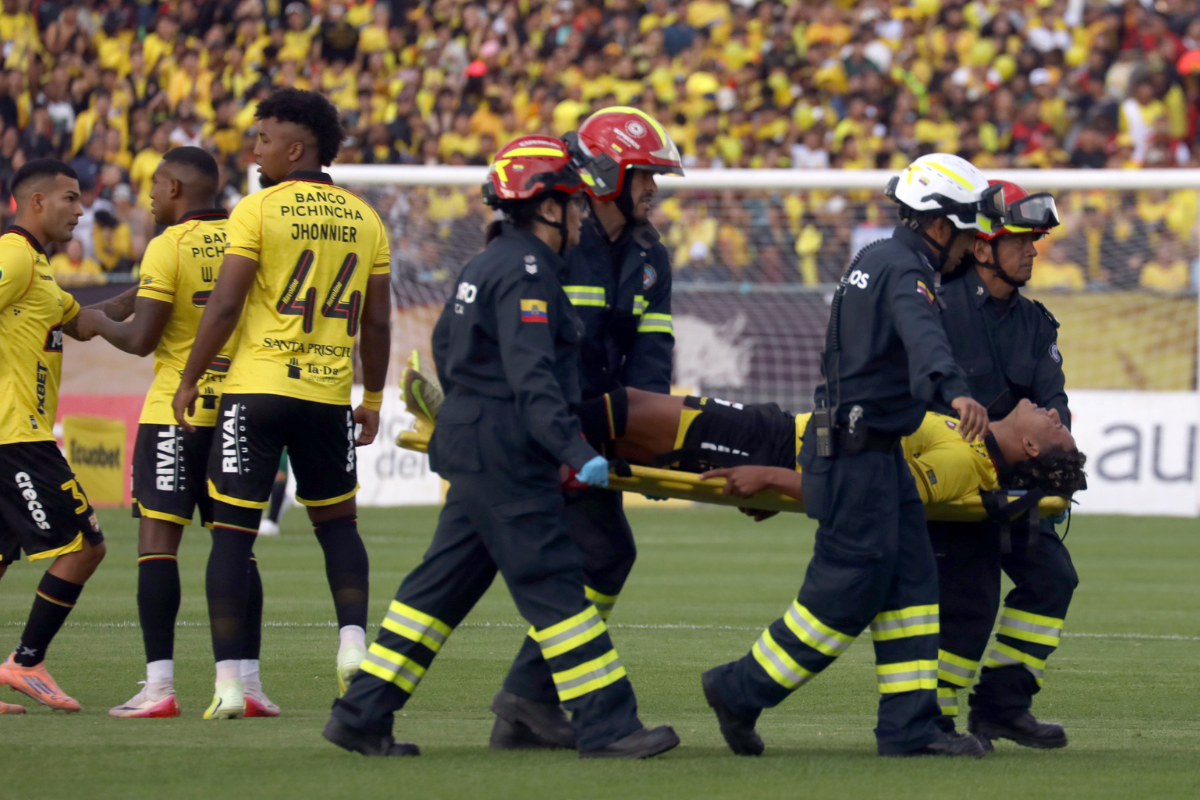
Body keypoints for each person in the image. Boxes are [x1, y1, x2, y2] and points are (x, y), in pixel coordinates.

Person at [323, 136, 679, 760]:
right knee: (555, 585)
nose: (578, 215)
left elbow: (451, 349)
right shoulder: (530, 273)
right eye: (571, 204)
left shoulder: (486, 264)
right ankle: (608, 724)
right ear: (546, 209)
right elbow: (533, 377)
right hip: (508, 453)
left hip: (476, 444)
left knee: (437, 591)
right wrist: (574, 450)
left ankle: (362, 713)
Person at [699, 153, 1000, 758]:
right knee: (843, 597)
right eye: (968, 231)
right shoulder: (906, 272)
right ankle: (738, 689)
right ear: (939, 226)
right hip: (858, 459)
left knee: (914, 587)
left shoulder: (877, 258)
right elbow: (923, 336)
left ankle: (910, 727)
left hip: (875, 453)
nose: (972, 246)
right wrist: (955, 387)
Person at [171, 88, 392, 718]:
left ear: (296, 147)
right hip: (327, 396)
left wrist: (189, 379)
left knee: (232, 541)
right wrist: (371, 395)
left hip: (257, 390)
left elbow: (226, 303)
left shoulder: (258, 209)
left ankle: (229, 687)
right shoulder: (366, 218)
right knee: (340, 526)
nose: (255, 149)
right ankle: (353, 646)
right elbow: (376, 324)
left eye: (264, 138)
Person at [493, 106, 684, 749]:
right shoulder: (556, 250)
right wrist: (563, 440)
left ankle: (525, 700)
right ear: (609, 176)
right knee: (588, 557)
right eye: (646, 177)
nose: (654, 191)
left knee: (598, 554)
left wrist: (648, 440)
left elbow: (650, 361)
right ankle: (555, 706)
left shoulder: (650, 256)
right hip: (540, 430)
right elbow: (534, 357)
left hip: (590, 428)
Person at [75, 147, 277, 719]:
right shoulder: (246, 235)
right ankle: (251, 685)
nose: (148, 197)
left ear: (175, 188)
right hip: (235, 410)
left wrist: (96, 321)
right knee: (237, 548)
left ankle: (159, 688)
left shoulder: (170, 244)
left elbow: (141, 337)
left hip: (174, 413)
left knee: (158, 545)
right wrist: (113, 304)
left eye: (155, 186)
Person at [931, 181, 1078, 749]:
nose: (1033, 251)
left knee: (1054, 578)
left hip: (1012, 489)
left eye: (1034, 241)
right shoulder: (936, 305)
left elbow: (1054, 403)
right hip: (952, 485)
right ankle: (935, 722)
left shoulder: (1038, 324)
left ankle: (1000, 706)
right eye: (1020, 240)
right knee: (969, 598)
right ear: (983, 245)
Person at [565, 388, 1085, 507]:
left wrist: (776, 480)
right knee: (628, 416)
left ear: (1033, 449)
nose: (1056, 414)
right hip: (783, 435)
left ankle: (523, 447)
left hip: (771, 448)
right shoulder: (966, 439)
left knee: (629, 412)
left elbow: (873, 494)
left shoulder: (961, 464)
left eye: (1058, 429)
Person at [0, 159, 108, 714]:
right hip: (15, 437)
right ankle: (26, 661)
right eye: (70, 198)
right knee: (87, 545)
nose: (81, 209)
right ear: (36, 202)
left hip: (17, 434)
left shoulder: (37, 270)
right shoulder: (14, 256)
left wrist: (162, 287)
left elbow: (84, 319)